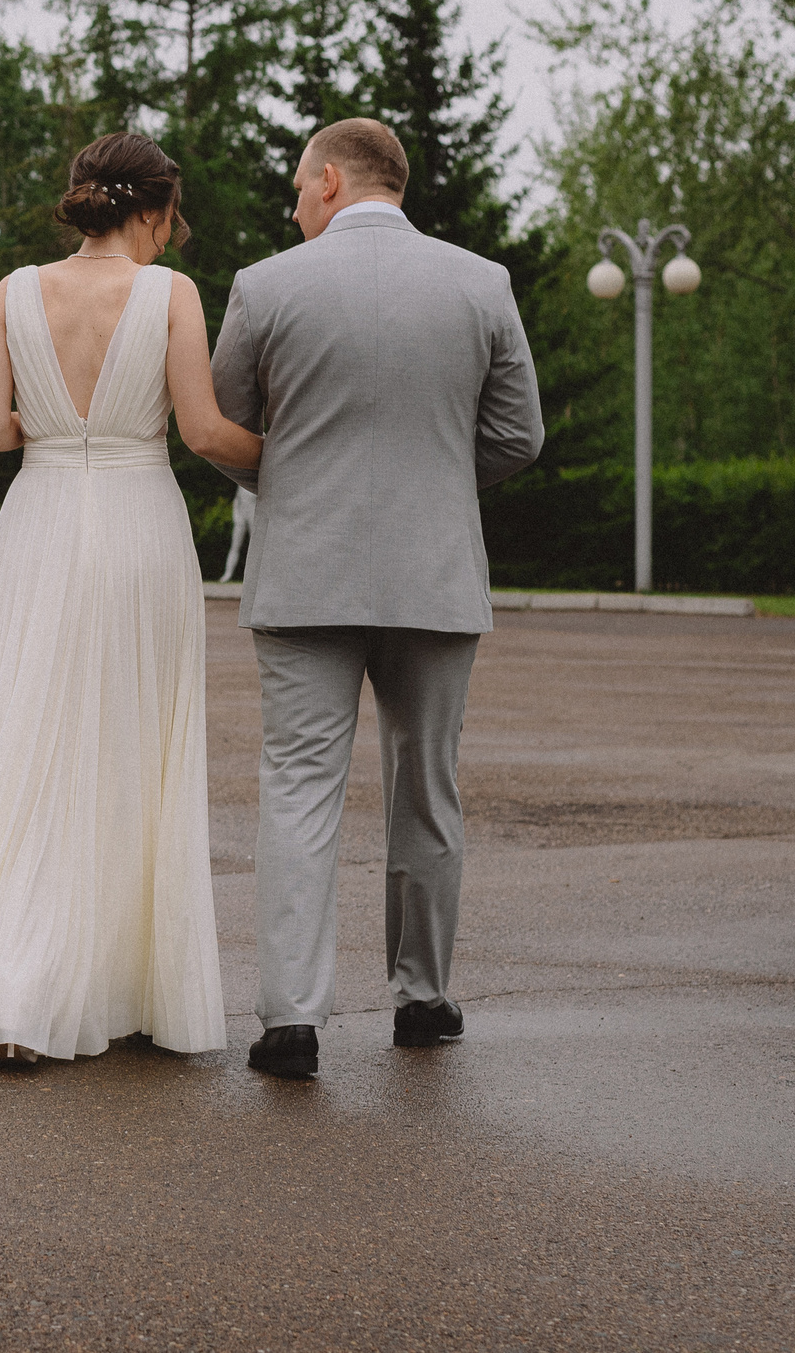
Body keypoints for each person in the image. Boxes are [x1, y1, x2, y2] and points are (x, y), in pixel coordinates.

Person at [0, 133, 263, 1065]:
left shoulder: (14, 292)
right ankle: (107, 986)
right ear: (152, 209)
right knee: (128, 744)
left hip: (39, 525)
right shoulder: (171, 295)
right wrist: (297, 458)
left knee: (29, 740)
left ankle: (22, 989)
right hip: (140, 526)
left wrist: (52, 428)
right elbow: (203, 430)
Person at [204, 117, 543, 1079]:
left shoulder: (266, 286)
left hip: (305, 573)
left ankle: (291, 1021)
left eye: (295, 188)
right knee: (426, 786)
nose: (291, 205)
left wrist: (304, 483)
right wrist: (433, 485)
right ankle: (423, 998)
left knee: (300, 788)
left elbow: (227, 419)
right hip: (436, 575)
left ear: (328, 184)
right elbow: (521, 435)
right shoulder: (482, 283)